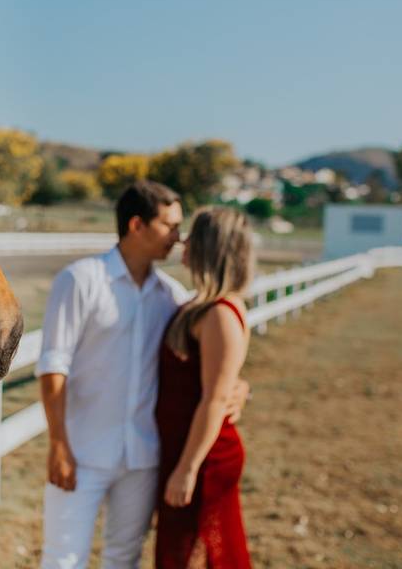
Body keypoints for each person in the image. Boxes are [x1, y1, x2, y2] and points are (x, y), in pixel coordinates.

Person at [36, 182, 247, 568]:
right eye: (169, 226)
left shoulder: (171, 296)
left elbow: (211, 358)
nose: (179, 238)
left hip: (144, 458)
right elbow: (53, 365)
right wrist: (58, 444)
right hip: (82, 451)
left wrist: (239, 388)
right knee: (62, 559)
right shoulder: (80, 280)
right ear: (137, 225)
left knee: (124, 558)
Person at [155, 206, 255, 568]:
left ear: (210, 247)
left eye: (193, 235)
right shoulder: (199, 306)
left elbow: (214, 400)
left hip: (205, 458)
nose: (183, 240)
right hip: (185, 448)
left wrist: (187, 469)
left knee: (199, 555)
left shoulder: (220, 315)